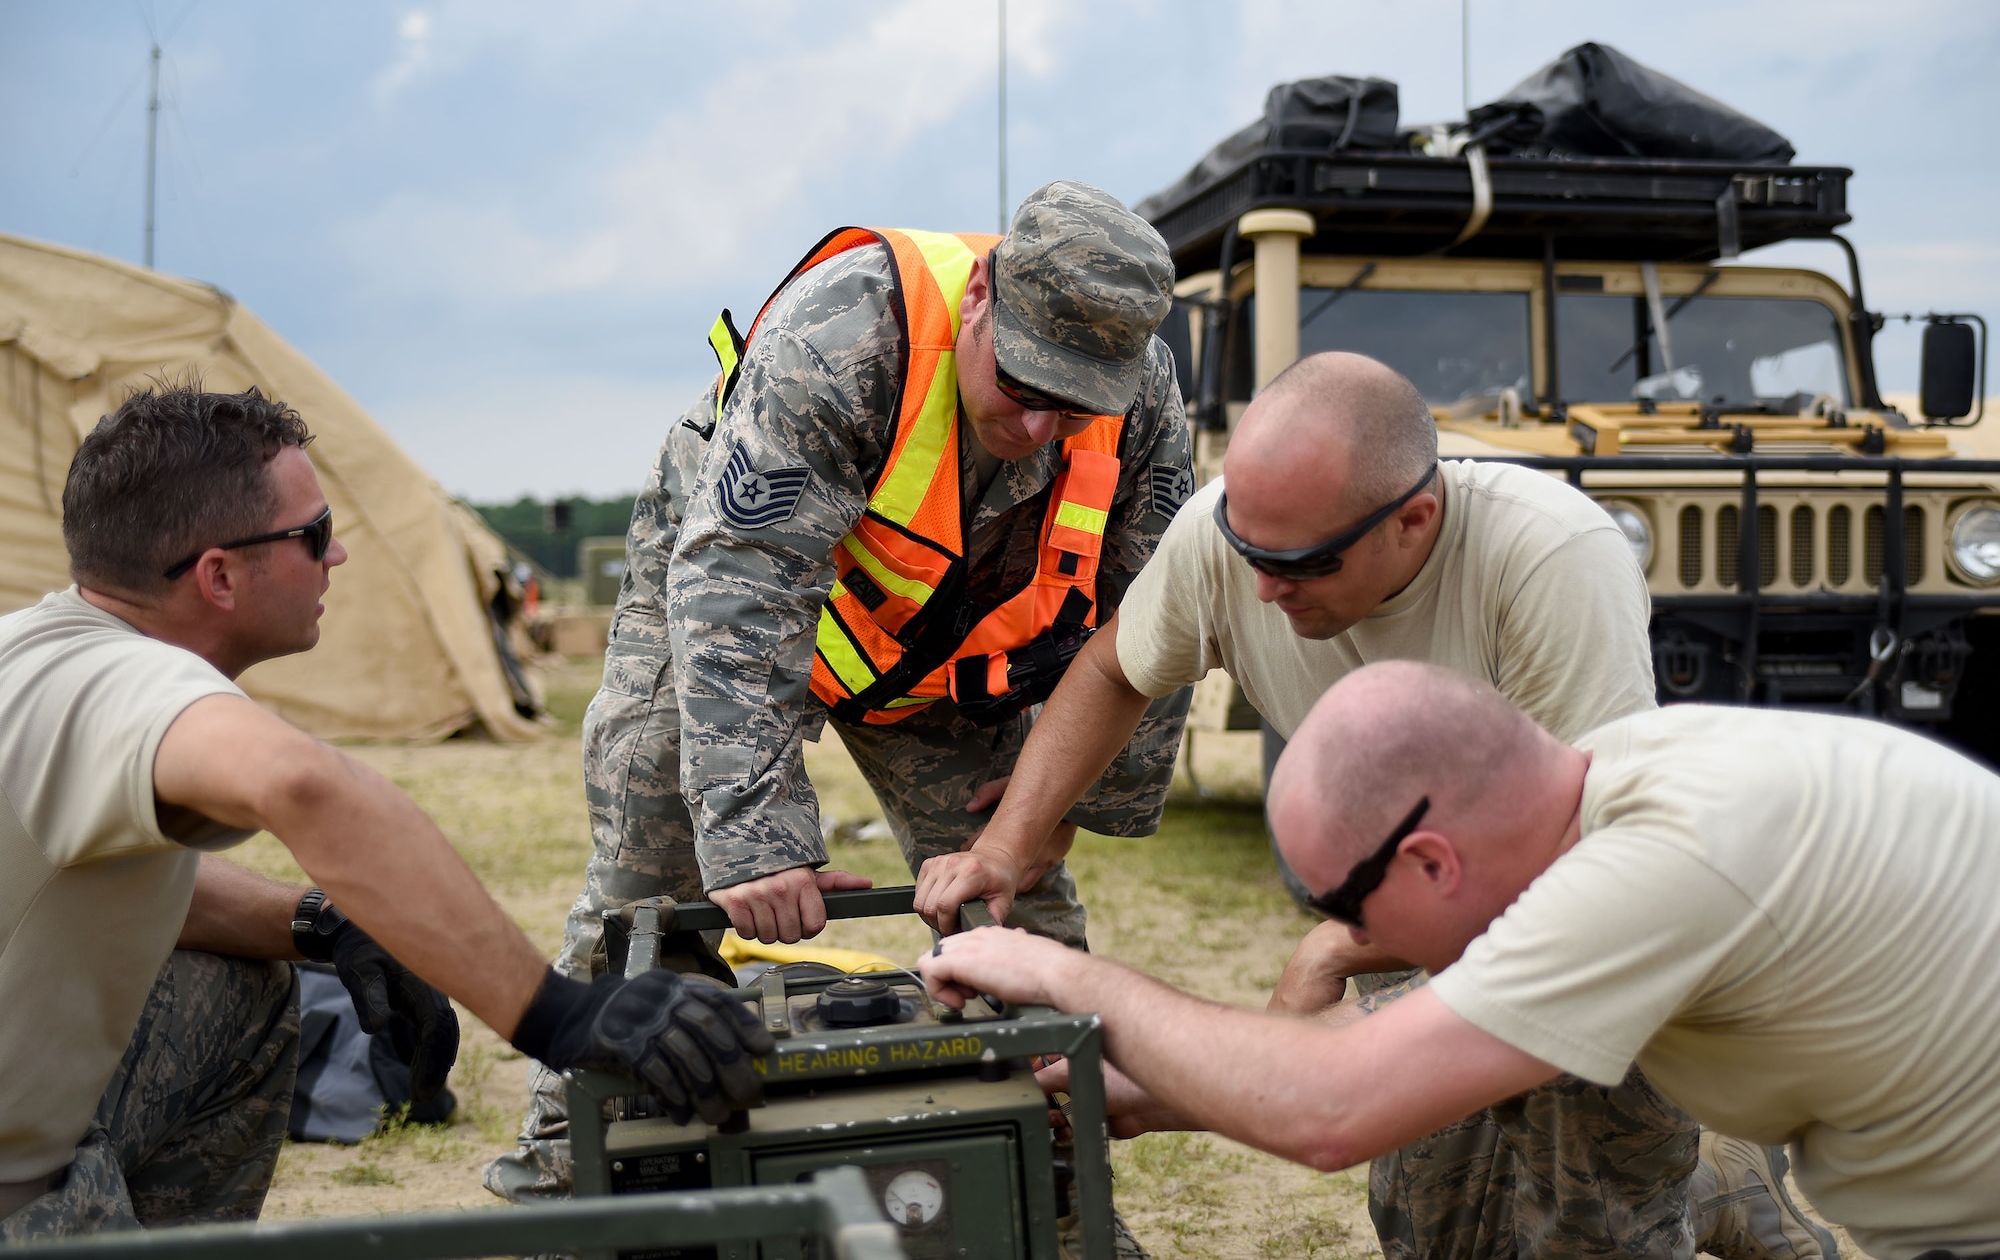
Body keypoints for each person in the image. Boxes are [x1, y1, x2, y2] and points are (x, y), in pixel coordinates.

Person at [914, 351, 1831, 1259]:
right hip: (1442, 912)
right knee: (1443, 1237)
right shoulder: (1231, 536)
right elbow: (1118, 665)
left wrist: (1334, 948)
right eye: (1247, 549)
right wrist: (1006, 842)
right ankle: (1708, 1183)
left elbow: (1589, 873)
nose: (1264, 589)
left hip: (1611, 929)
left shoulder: (1549, 557)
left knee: (1586, 1232)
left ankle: (1710, 1183)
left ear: (1415, 518)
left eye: (1301, 562)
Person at [487, 182, 1195, 1225]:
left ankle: (1051, 1184)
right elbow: (740, 582)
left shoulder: (1141, 396)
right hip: (730, 604)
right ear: (982, 300)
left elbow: (1156, 615)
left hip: (940, 651)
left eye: (1074, 399)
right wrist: (757, 836)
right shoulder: (847, 330)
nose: (1040, 421)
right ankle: (569, 1181)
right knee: (648, 879)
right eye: (1021, 379)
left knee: (1015, 908)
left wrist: (1062, 800)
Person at [0, 386, 769, 1240]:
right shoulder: (123, 684)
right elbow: (305, 785)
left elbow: (124, 882)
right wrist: (557, 1013)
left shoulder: (44, 653)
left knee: (235, 984)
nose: (336, 559)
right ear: (217, 575)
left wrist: (325, 924)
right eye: (313, 536)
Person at [920, 659, 2000, 1260]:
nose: (1334, 930)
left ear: (1430, 859)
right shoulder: (1610, 785)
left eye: (1339, 899)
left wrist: (1062, 973)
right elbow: (1429, 1046)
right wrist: (1153, 1091)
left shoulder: (1657, 868)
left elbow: (1333, 1112)